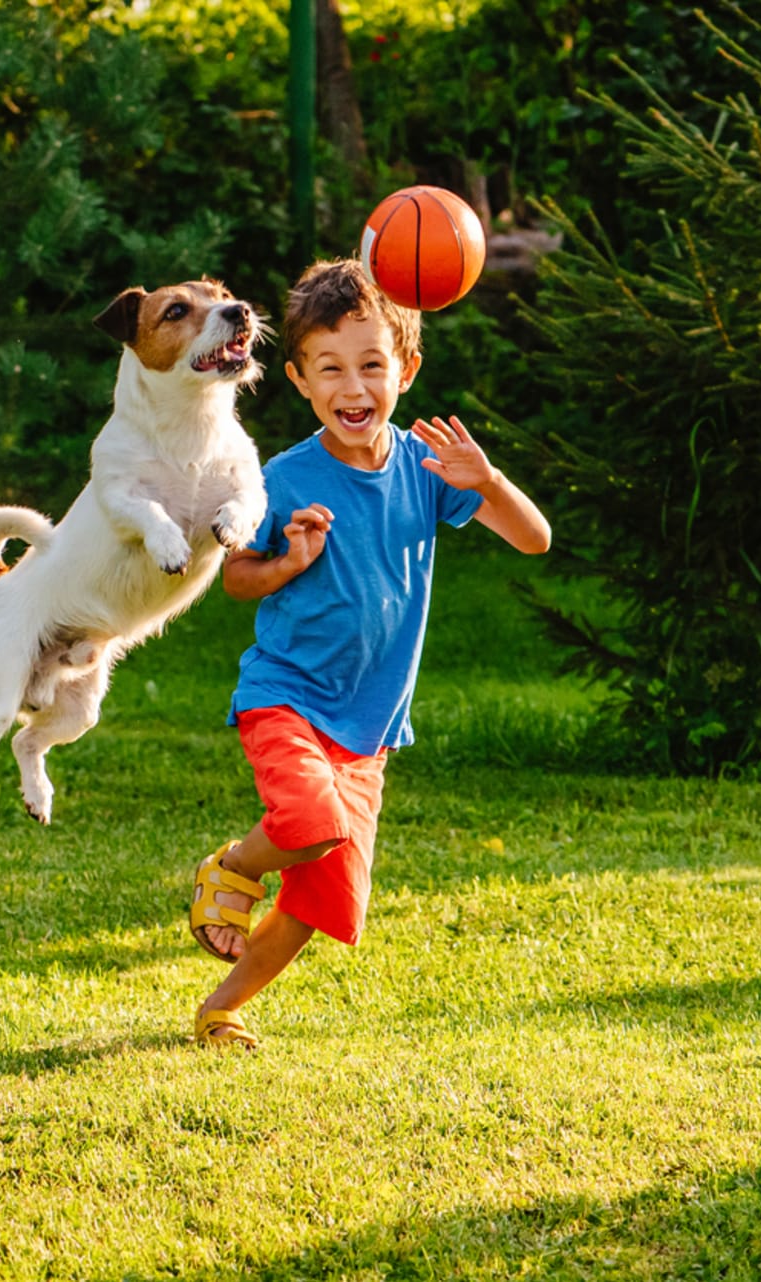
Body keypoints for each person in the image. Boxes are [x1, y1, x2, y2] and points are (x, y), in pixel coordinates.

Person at [187, 257, 553, 1049]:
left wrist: (487, 480)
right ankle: (234, 869)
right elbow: (236, 579)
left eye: (372, 366)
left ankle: (223, 1007)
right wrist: (286, 562)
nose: (354, 388)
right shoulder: (282, 476)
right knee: (309, 822)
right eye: (331, 369)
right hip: (287, 695)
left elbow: (534, 538)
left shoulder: (430, 469)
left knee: (322, 902)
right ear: (298, 380)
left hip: (367, 727)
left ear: (406, 370)